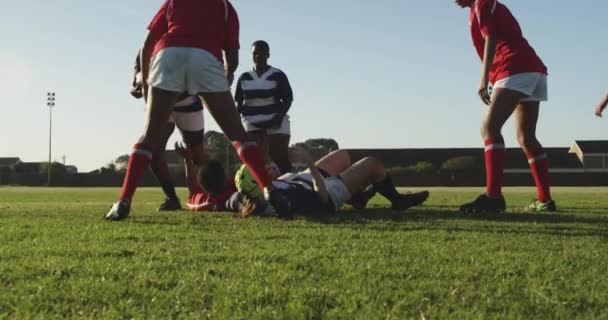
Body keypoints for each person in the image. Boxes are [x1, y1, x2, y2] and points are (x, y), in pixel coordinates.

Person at [106, 0, 288, 221]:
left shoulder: (173, 2)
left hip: (168, 56)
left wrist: (146, 83)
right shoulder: (226, 7)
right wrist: (226, 79)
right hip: (206, 58)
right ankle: (270, 190)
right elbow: (233, 56)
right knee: (237, 135)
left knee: (149, 138)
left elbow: (148, 44)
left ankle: (123, 200)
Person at [455, 0, 556, 213]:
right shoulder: (480, 7)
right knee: (526, 137)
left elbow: (490, 37)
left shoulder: (481, 3)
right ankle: (545, 200)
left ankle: (493, 197)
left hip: (513, 67)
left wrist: (483, 78)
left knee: (489, 127)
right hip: (533, 69)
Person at [233, 147, 430, 217]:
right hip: (325, 188)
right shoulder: (286, 198)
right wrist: (309, 161)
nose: (266, 168)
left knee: (342, 156)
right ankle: (397, 200)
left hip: (303, 179)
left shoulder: (248, 197)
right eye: (262, 172)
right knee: (373, 165)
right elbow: (322, 199)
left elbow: (236, 196)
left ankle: (358, 197)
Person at [130, 52, 208, 211]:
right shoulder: (145, 50)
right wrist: (139, 88)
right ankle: (171, 198)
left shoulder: (182, 46)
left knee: (198, 156)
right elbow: (137, 82)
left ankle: (215, 191)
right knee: (154, 152)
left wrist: (169, 93)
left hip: (187, 102)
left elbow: (195, 81)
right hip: (159, 104)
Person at [234, 40, 294, 174]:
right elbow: (239, 102)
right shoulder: (244, 78)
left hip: (275, 124)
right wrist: (236, 127)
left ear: (268, 55)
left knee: (280, 161)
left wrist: (278, 118)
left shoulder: (277, 75)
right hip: (252, 126)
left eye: (262, 53)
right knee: (256, 164)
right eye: (255, 53)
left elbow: (288, 98)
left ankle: (288, 188)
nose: (258, 56)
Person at [173, 142, 237, 212]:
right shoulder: (235, 185)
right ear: (225, 175)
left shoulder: (206, 200)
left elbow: (193, 188)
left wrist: (187, 159)